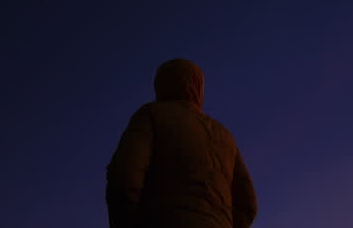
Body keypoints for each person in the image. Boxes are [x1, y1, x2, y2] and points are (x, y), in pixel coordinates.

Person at [106, 58, 258, 228]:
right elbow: (248, 205)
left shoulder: (152, 115)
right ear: (198, 87)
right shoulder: (225, 136)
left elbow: (124, 175)